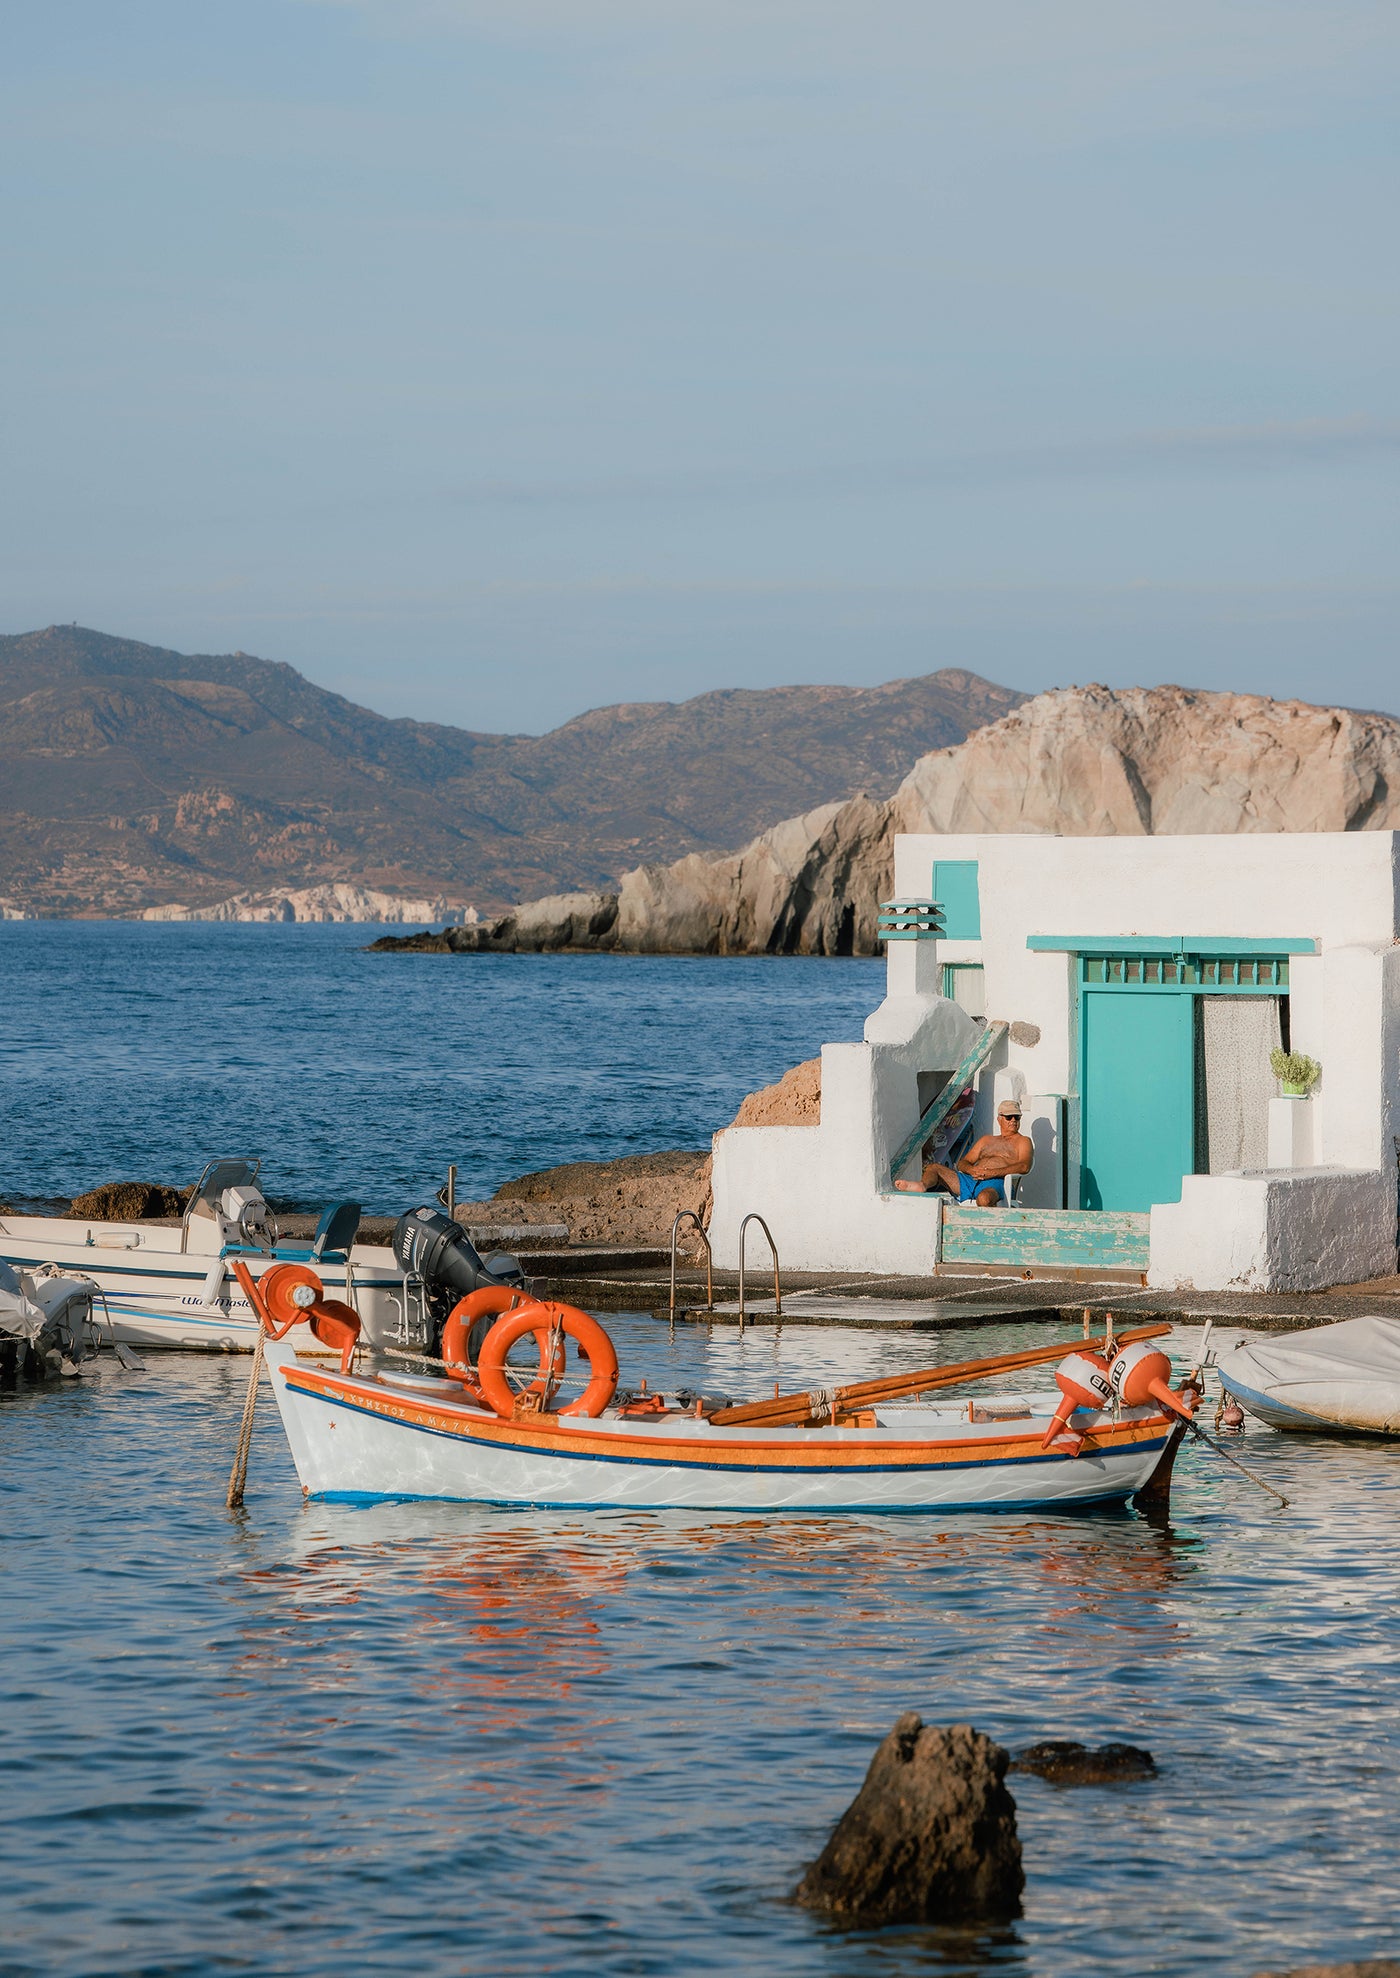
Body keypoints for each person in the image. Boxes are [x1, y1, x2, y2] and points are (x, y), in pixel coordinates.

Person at [894, 1100, 1032, 1207]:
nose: (1013, 1120)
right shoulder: (987, 1140)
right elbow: (962, 1163)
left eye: (1016, 1117)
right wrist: (971, 1170)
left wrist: (992, 1173)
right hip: (972, 1179)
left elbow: (1024, 1166)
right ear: (999, 1119)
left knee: (984, 1199)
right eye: (1009, 1117)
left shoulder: (1023, 1141)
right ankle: (922, 1185)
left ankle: (989, 1232)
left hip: (997, 1182)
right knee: (934, 1168)